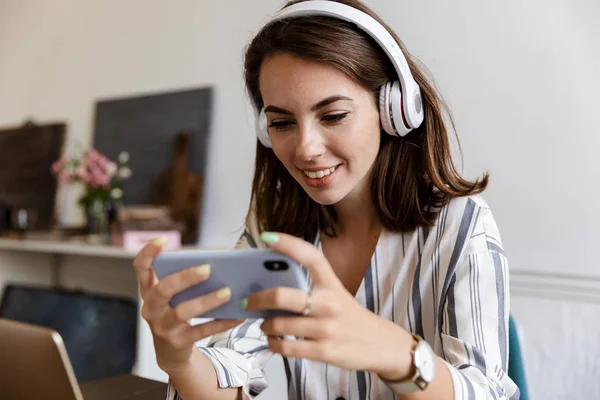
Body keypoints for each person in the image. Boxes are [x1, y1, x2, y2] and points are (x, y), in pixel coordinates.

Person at [132, 0, 520, 399]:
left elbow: (484, 392)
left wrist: (388, 348)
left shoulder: (460, 224)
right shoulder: (272, 224)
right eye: (282, 123)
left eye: (333, 116)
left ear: (395, 110)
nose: (305, 149)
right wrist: (179, 359)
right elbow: (232, 375)